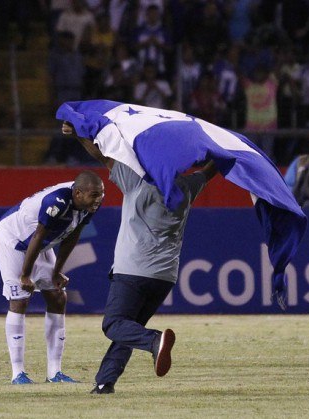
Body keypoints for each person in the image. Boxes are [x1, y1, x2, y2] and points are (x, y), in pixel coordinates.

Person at [62, 121, 219, 394]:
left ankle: (154, 341)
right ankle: (104, 382)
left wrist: (77, 134)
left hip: (133, 270)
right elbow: (208, 172)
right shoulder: (187, 186)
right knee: (128, 327)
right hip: (165, 276)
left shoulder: (137, 180)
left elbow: (101, 155)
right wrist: (221, 147)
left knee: (113, 324)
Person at [0, 170, 105, 384]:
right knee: (19, 299)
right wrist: (25, 275)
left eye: (100, 194)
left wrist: (56, 272)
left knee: (57, 296)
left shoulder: (91, 200)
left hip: (41, 242)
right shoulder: (57, 201)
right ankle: (18, 373)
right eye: (94, 195)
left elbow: (73, 235)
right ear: (78, 193)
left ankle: (55, 373)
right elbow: (38, 236)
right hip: (14, 240)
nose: (98, 199)